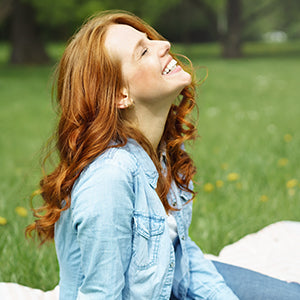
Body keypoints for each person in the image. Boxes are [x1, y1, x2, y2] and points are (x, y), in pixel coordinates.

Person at [26, 10, 300, 300]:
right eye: (143, 51)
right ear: (121, 95)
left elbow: (179, 250)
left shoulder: (160, 151)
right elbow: (101, 294)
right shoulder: (109, 179)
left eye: (149, 39)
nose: (164, 44)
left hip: (171, 281)